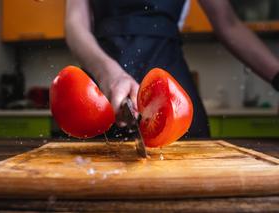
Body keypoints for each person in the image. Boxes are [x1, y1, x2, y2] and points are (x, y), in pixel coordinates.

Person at [65, 0, 279, 138]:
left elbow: (228, 24)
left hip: (173, 89)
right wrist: (108, 74)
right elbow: (75, 25)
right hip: (101, 89)